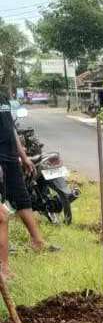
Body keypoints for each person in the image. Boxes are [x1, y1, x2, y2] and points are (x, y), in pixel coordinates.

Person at [0, 91, 54, 263]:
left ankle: (38, 241)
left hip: (10, 156)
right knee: (2, 211)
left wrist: (23, 157)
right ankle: (4, 263)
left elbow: (12, 131)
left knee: (22, 198)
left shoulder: (2, 97)